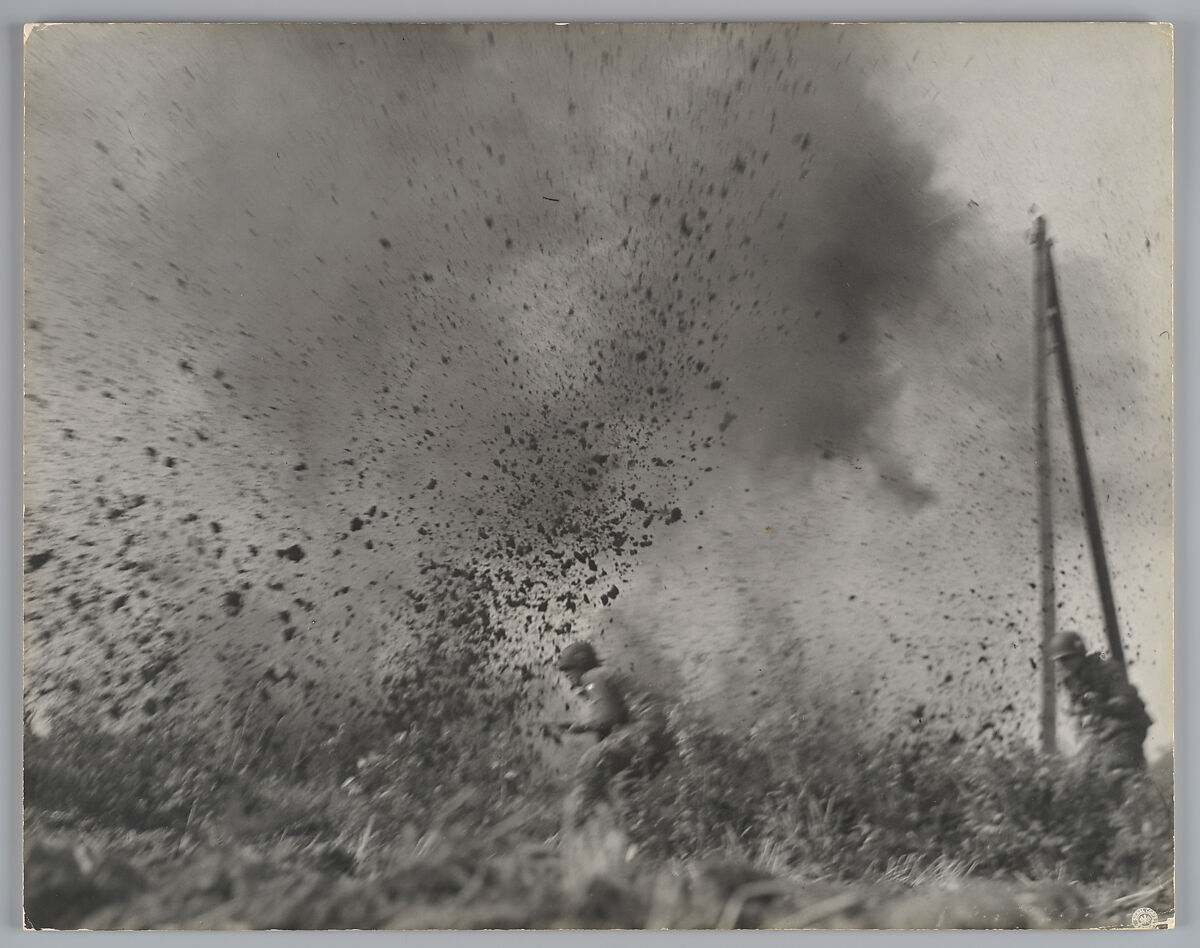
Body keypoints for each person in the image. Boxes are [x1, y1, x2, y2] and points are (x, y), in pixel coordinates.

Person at [553, 641, 673, 824]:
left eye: (568, 668)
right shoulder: (605, 677)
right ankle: (640, 832)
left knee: (591, 762)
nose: (566, 675)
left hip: (648, 728)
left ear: (581, 664)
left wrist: (579, 727)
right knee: (623, 786)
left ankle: (577, 826)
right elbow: (612, 726)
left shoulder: (593, 676)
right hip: (664, 734)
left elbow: (609, 717)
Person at [1051, 631, 1151, 781]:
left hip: (1126, 725)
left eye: (1066, 659)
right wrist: (1081, 716)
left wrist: (1102, 706)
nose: (1062, 664)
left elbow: (1128, 702)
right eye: (1058, 660)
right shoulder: (1070, 681)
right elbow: (1077, 716)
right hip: (1100, 731)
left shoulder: (1106, 667)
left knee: (1118, 770)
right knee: (1082, 774)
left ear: (1079, 655)